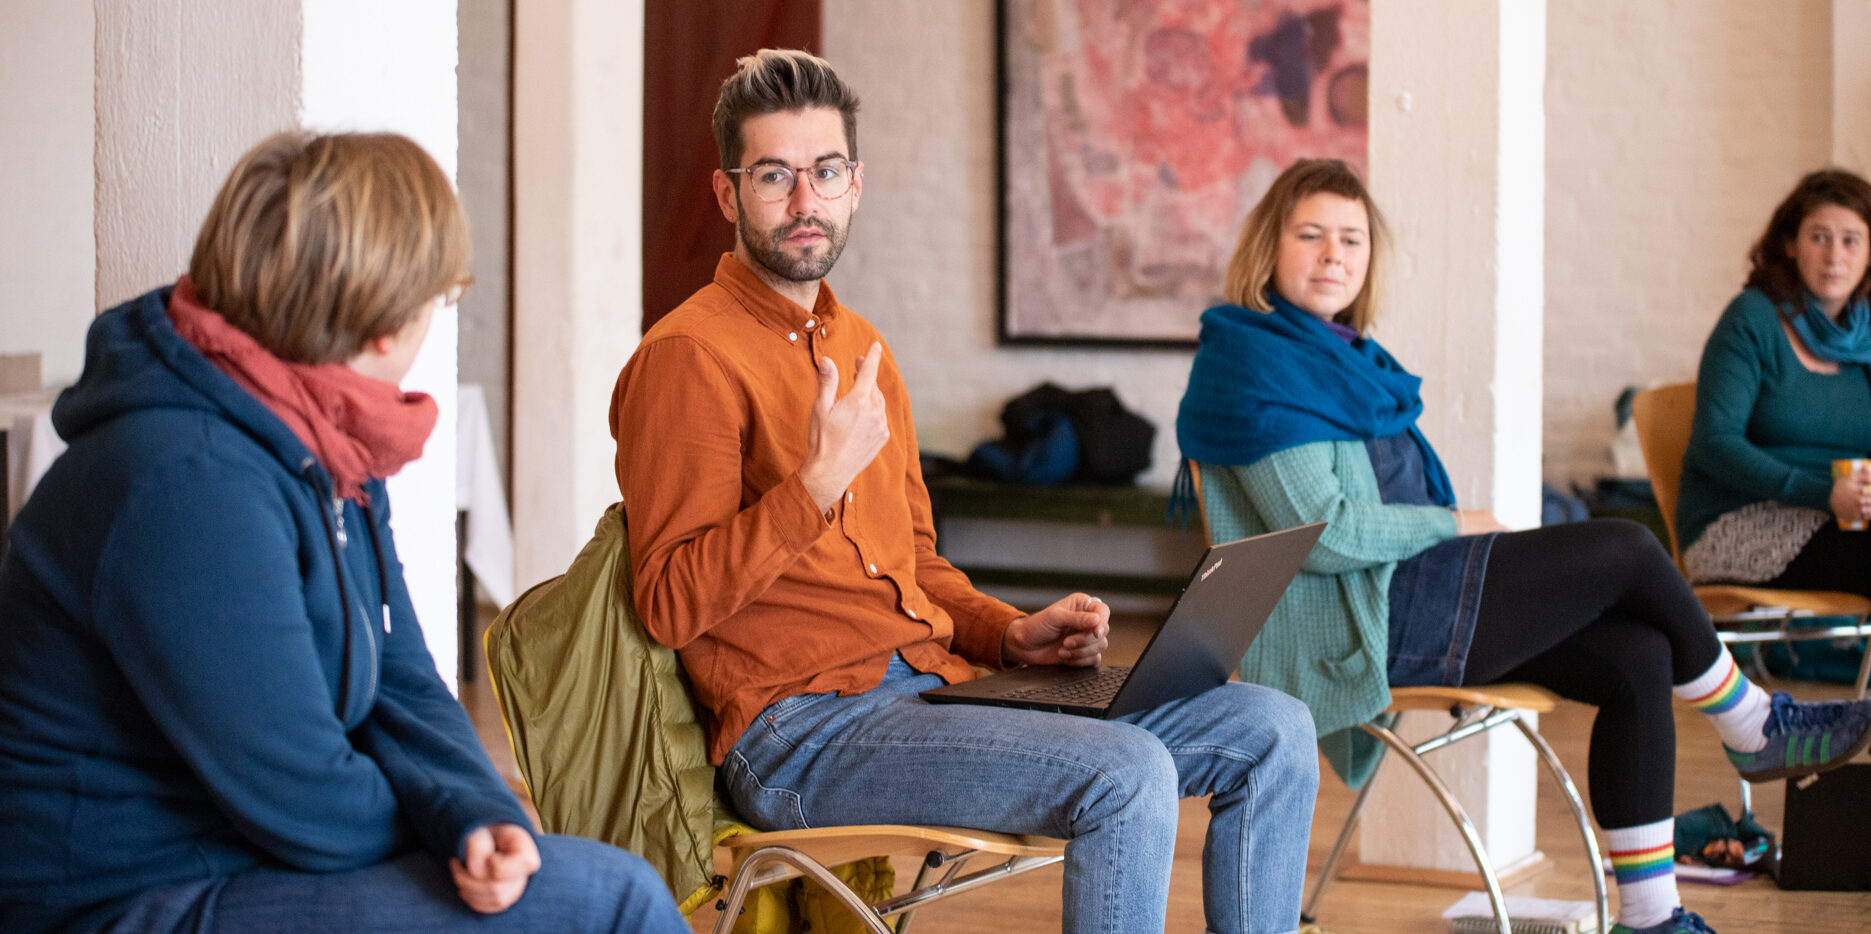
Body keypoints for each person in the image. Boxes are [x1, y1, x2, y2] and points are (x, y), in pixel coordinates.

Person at [610, 49, 1318, 934]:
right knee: (1127, 771)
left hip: (928, 690)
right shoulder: (689, 358)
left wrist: (1007, 631)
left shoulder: (861, 346)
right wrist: (814, 484)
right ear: (727, 195)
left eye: (824, 172)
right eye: (773, 177)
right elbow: (669, 604)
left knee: (1273, 728)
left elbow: (914, 562)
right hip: (799, 736)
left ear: (855, 183)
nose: (804, 202)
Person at [0, 132, 688, 934]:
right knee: (614, 902)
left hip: (230, 855)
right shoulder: (187, 480)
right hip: (121, 897)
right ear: (388, 320)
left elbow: (399, 676)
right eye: (444, 295)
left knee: (578, 885)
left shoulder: (317, 438)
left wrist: (477, 811)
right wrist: (452, 840)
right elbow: (302, 799)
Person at [1175, 158, 1871, 934]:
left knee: (1639, 655)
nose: (1334, 254)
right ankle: (1751, 723)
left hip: (1402, 593)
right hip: (1355, 622)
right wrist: (1454, 522)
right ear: (1267, 247)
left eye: (1352, 239)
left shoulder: (1336, 357)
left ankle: (1650, 918)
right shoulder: (1249, 365)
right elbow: (1326, 536)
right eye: (1310, 235)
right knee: (1626, 549)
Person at [1678, 169, 1871, 597]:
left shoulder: (1868, 337)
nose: (1834, 256)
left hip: (1845, 520)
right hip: (1740, 519)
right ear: (1790, 245)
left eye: (1851, 240)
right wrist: (1823, 494)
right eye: (1819, 237)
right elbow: (1714, 442)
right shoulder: (1751, 319)